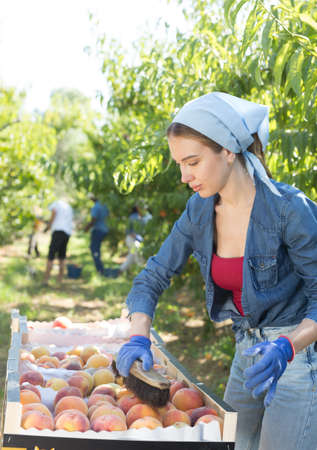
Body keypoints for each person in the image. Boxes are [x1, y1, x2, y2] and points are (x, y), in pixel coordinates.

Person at [116, 92, 317, 450]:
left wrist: (287, 346)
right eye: (179, 164)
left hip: (298, 357)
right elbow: (154, 275)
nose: (183, 176)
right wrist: (138, 334)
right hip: (248, 351)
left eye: (192, 161)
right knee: (232, 445)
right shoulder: (199, 210)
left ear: (228, 150)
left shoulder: (290, 209)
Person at [43, 198, 73, 285]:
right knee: (62, 255)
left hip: (58, 232)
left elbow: (54, 214)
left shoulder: (56, 204)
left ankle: (46, 279)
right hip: (67, 232)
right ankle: (60, 279)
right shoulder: (69, 207)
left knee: (51, 254)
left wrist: (47, 227)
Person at [84, 194, 109, 275]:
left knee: (94, 249)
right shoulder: (104, 205)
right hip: (105, 229)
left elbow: (93, 219)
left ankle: (100, 270)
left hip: (98, 230)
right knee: (96, 248)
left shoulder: (96, 207)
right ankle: (100, 269)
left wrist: (86, 228)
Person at [118, 205, 145, 274]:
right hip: (133, 239)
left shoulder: (137, 216)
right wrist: (137, 237)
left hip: (132, 239)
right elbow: (128, 231)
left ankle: (121, 271)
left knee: (132, 256)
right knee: (138, 256)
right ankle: (140, 272)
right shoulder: (136, 217)